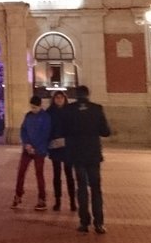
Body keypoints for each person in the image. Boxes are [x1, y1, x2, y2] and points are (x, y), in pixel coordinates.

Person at [68, 84, 112, 233]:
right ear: (88, 94)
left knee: (81, 188)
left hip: (77, 154)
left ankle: (84, 222)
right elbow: (105, 132)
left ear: (76, 94)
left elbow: (65, 131)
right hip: (93, 154)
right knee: (96, 188)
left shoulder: (70, 110)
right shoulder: (96, 109)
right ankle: (99, 223)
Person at [13, 95, 51, 210]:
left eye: (35, 107)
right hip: (27, 149)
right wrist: (27, 144)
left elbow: (45, 135)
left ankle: (42, 198)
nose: (33, 109)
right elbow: (23, 130)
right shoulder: (28, 116)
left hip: (39, 150)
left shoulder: (46, 117)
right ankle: (18, 195)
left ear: (40, 106)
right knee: (21, 171)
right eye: (32, 107)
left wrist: (35, 147)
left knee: (39, 174)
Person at [46, 91, 75, 211]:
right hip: (55, 147)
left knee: (69, 175)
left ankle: (73, 201)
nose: (59, 99)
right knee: (56, 175)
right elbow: (46, 129)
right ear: (53, 99)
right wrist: (49, 142)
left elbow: (74, 128)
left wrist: (68, 140)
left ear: (64, 98)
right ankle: (57, 200)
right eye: (57, 98)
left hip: (67, 146)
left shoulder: (70, 111)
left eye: (61, 97)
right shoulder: (49, 112)